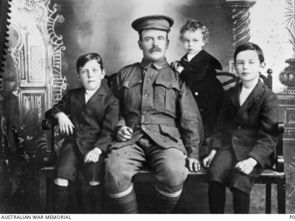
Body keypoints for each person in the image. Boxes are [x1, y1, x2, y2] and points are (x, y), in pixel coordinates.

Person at [104, 15, 204, 214]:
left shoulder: (177, 76)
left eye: (159, 38)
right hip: (130, 139)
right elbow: (110, 108)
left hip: (166, 140)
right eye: (149, 39)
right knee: (114, 172)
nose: (155, 43)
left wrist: (193, 153)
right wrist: (119, 126)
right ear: (140, 43)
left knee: (175, 172)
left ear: (167, 42)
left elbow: (190, 117)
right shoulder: (125, 74)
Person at [202, 42, 279, 213]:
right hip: (229, 147)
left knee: (239, 181)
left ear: (262, 65)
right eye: (240, 63)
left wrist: (252, 160)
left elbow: (269, 135)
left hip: (255, 150)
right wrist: (213, 150)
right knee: (215, 176)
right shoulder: (230, 94)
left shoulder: (268, 98)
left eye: (251, 62)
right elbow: (221, 126)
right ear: (235, 66)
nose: (245, 67)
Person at [45, 53, 119, 213]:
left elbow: (108, 131)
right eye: (84, 71)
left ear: (102, 73)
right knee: (61, 176)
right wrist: (60, 114)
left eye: (94, 70)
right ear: (79, 76)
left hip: (96, 146)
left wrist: (98, 150)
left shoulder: (110, 101)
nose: (90, 75)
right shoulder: (73, 95)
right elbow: (51, 111)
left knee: (94, 178)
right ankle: (59, 215)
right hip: (73, 144)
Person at [172, 19, 223, 137]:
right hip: (192, 96)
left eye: (195, 40)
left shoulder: (206, 60)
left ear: (203, 41)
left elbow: (195, 78)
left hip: (208, 98)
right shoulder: (185, 59)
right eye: (187, 41)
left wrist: (180, 70)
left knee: (204, 125)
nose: (190, 44)